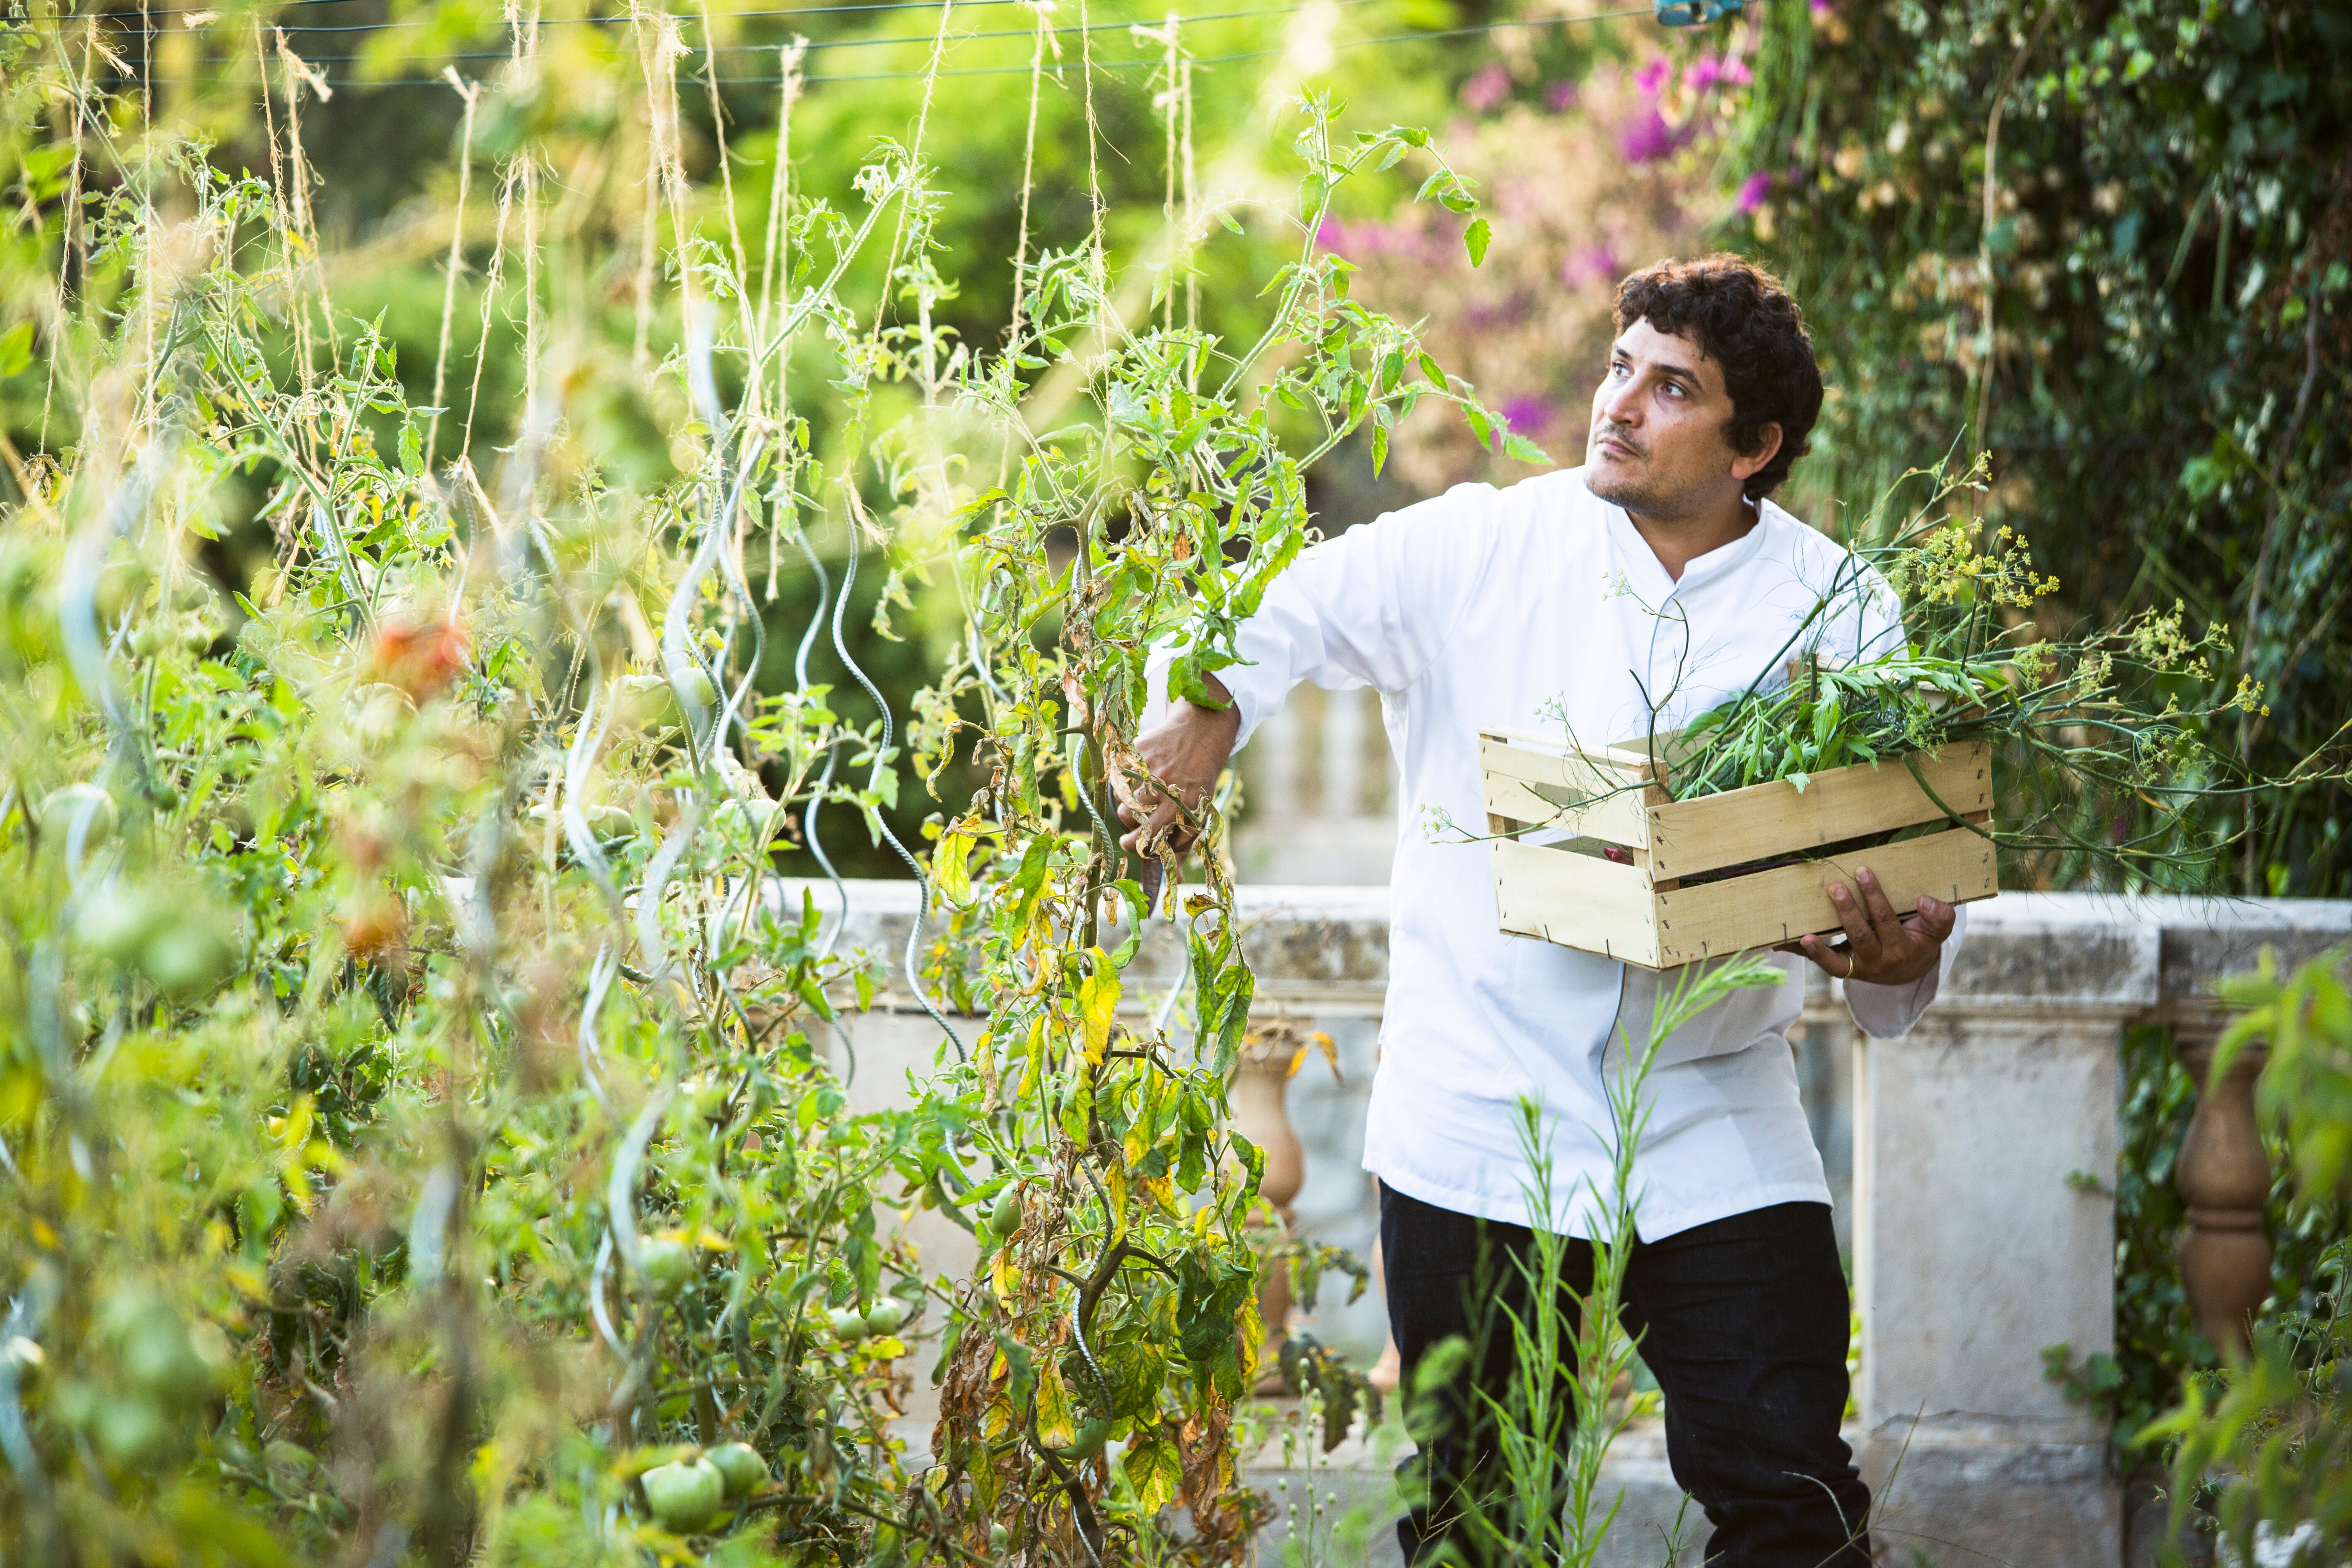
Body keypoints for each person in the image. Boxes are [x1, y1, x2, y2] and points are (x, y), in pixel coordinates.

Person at [1113, 254, 1963, 1566]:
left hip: (1715, 1110)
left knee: (1797, 1502)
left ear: (1757, 446)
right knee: (1476, 1527)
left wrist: (1896, 963)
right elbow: (1286, 606)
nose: (1618, 402)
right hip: (1480, 1113)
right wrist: (1206, 708)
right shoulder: (1478, 544)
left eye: (1670, 386)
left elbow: (1888, 918)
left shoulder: (1844, 610)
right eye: (1620, 365)